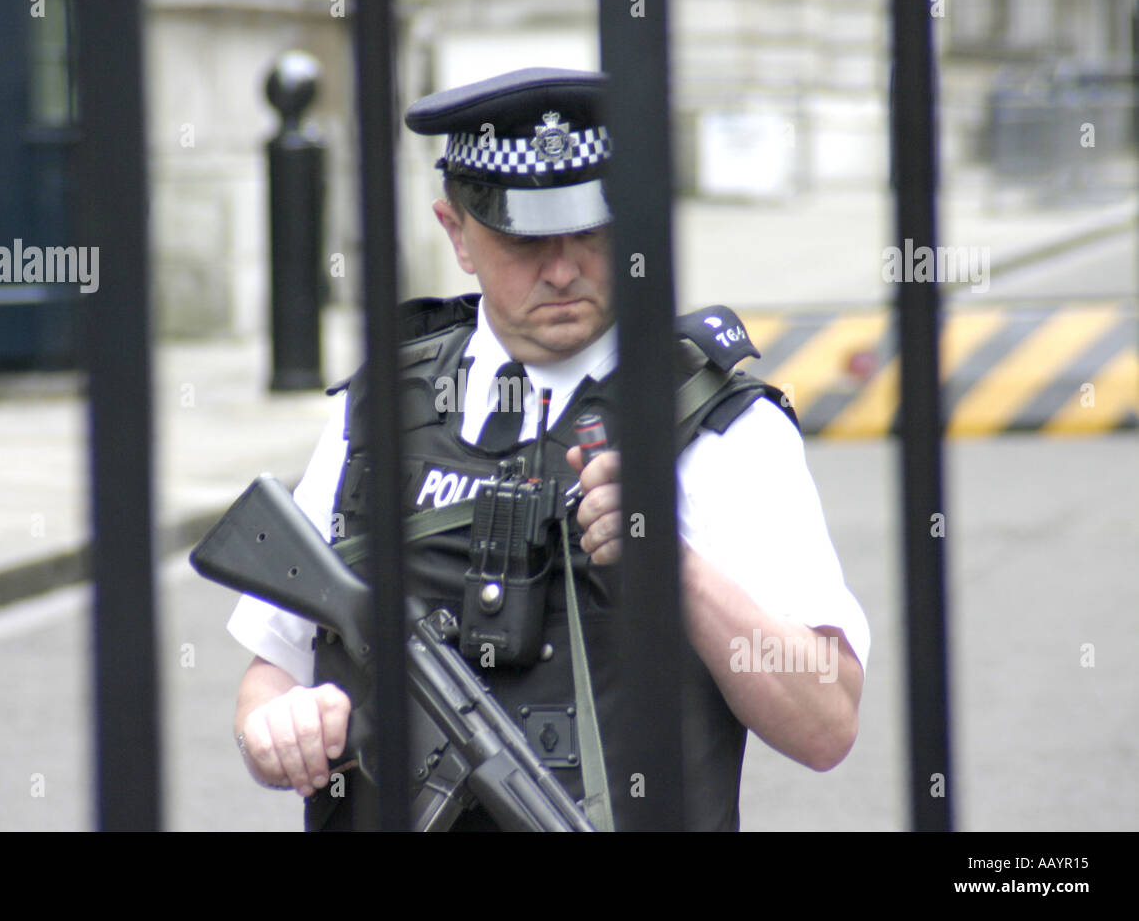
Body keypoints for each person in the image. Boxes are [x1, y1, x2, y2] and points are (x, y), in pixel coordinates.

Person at [225, 67, 870, 830]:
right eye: (523, 239)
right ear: (456, 232)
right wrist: (277, 727)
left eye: (588, 232)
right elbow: (272, 671)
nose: (561, 269)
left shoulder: (722, 431)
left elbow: (825, 722)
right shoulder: (377, 412)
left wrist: (676, 565)